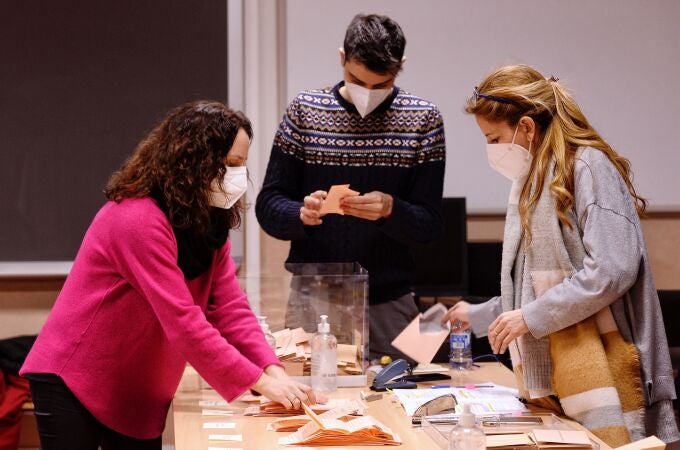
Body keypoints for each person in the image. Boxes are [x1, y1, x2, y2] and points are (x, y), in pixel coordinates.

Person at [20, 101, 316, 450]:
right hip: (76, 376)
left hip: (136, 383)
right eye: (230, 164)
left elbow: (231, 309)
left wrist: (272, 369)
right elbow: (183, 320)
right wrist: (259, 382)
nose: (238, 175)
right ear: (194, 162)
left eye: (242, 164)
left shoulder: (208, 221)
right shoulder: (136, 219)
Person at [443, 65, 679, 445]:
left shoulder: (587, 166)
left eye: (493, 138)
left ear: (526, 127)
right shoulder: (532, 182)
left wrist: (530, 317)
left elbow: (611, 270)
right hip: (565, 375)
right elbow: (534, 291)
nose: (491, 150)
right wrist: (484, 315)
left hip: (612, 369)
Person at [255, 14, 446, 362]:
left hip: (390, 301)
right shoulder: (305, 111)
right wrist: (300, 213)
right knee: (312, 397)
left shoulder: (423, 119)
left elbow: (431, 226)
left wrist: (393, 209)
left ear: (400, 67)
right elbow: (268, 205)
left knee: (401, 400)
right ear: (342, 57)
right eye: (357, 80)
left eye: (382, 84)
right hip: (314, 298)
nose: (368, 95)